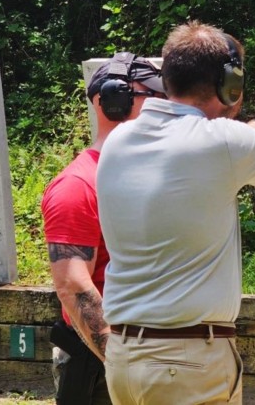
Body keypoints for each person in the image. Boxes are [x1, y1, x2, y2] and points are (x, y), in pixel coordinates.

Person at [96, 20, 255, 404]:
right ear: (231, 86)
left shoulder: (121, 138)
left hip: (126, 357)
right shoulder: (220, 144)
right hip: (186, 361)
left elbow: (221, 141)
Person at [41, 52, 166, 404]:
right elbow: (74, 286)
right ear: (111, 101)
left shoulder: (147, 173)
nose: (164, 107)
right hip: (104, 364)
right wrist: (123, 364)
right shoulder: (77, 185)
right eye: (154, 97)